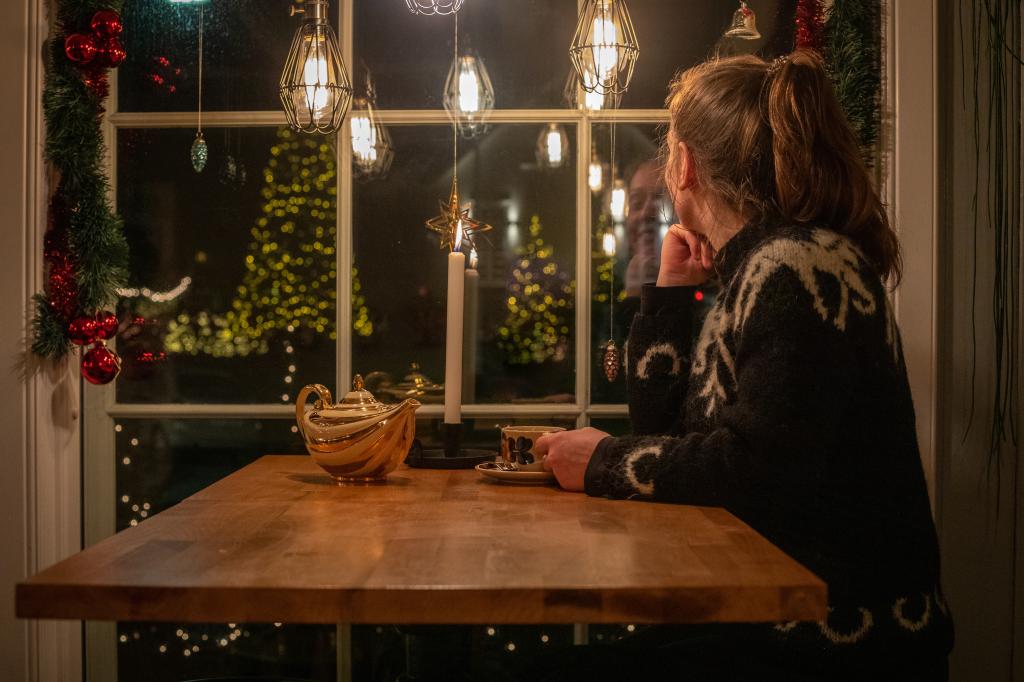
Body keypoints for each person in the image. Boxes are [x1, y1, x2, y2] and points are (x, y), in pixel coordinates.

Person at [533, 50, 953, 681]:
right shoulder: (763, 267)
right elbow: (673, 437)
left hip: (833, 645)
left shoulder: (797, 265)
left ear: (685, 164)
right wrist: (668, 292)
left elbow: (755, 470)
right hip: (776, 628)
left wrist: (602, 462)